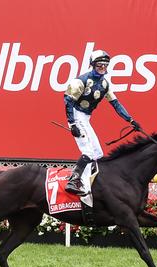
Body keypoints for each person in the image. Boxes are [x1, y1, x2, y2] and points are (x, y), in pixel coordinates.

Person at [63, 50, 141, 196]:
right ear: (93, 65)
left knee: (98, 153)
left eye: (105, 65)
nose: (102, 68)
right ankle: (74, 180)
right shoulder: (80, 81)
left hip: (86, 118)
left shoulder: (105, 84)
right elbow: (68, 101)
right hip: (76, 115)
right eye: (99, 65)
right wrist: (72, 124)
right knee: (88, 151)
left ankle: (89, 183)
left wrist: (130, 120)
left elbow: (116, 104)